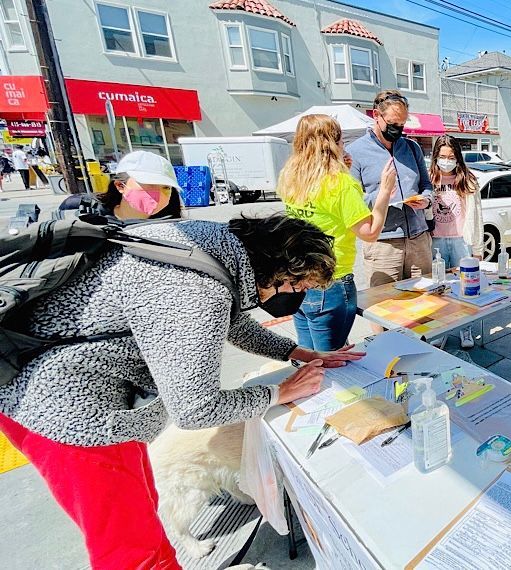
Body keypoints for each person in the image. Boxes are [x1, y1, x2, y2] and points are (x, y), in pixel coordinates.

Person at [0, 214, 363, 569]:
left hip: (73, 387)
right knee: (131, 549)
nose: (297, 298)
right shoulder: (197, 290)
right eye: (297, 288)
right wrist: (278, 393)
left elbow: (232, 322)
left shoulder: (213, 245)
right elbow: (195, 409)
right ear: (277, 269)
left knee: (143, 506)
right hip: (66, 411)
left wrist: (296, 352)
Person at [278, 114, 398, 351]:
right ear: (332, 144)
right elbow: (370, 232)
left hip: (297, 279)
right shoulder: (340, 184)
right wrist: (385, 191)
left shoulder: (291, 178)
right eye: (341, 140)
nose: (344, 144)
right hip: (330, 281)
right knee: (330, 360)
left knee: (309, 357)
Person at [348, 89, 433, 287]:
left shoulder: (412, 148)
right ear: (376, 115)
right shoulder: (354, 153)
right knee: (384, 307)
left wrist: (426, 199)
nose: (398, 129)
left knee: (427, 306)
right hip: (383, 245)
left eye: (402, 124)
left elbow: (427, 185)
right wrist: (383, 194)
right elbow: (353, 203)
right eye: (393, 124)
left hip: (419, 240)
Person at [58, 150, 183, 221]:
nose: (159, 193)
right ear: (120, 185)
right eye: (150, 184)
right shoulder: (84, 212)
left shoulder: (171, 224)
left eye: (166, 187)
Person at [428, 135, 483, 267]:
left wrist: (478, 249)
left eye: (451, 158)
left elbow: (477, 216)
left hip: (462, 241)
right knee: (438, 283)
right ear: (435, 157)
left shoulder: (468, 181)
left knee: (463, 281)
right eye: (442, 157)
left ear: (458, 158)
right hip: (435, 240)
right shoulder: (428, 179)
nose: (446, 161)